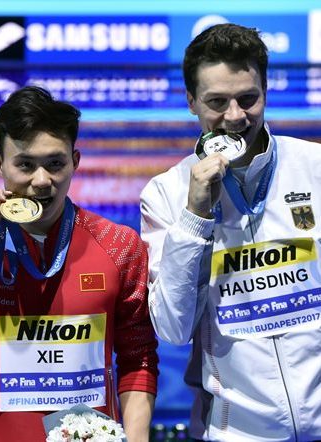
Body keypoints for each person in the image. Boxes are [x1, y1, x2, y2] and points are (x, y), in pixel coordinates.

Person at [0, 86, 159, 441]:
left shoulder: (118, 245)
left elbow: (138, 355)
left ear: (75, 161)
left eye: (55, 164)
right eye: (25, 165)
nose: (41, 181)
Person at [140, 23, 321, 441]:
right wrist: (195, 215)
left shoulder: (314, 167)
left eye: (248, 99)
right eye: (217, 102)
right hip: (234, 433)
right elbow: (172, 328)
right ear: (191, 101)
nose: (235, 116)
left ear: (266, 91)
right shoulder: (165, 193)